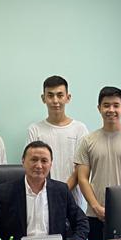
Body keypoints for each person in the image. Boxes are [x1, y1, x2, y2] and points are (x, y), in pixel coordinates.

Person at [74, 85, 121, 240]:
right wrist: (96, 207)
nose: (111, 110)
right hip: (95, 215)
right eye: (106, 105)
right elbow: (82, 178)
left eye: (116, 105)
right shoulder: (87, 141)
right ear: (99, 108)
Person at [0, 141, 90, 240]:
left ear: (50, 164)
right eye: (34, 160)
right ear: (23, 162)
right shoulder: (4, 192)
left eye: (44, 161)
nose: (39, 166)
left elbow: (81, 221)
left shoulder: (61, 190)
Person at [27, 75, 90, 208]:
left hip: (72, 200)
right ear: (43, 98)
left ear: (68, 97)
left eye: (60, 95)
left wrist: (62, 191)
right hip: (42, 199)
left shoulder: (79, 129)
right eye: (50, 95)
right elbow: (32, 165)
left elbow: (81, 167)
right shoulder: (35, 129)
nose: (55, 100)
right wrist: (49, 193)